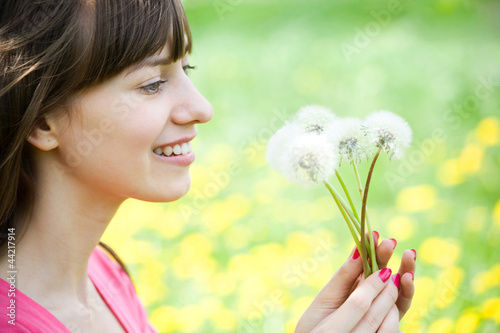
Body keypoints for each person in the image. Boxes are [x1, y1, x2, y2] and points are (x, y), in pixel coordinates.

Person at [0, 0, 415, 332]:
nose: (202, 108)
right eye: (151, 84)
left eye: (186, 68)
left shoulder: (102, 277)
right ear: (42, 120)